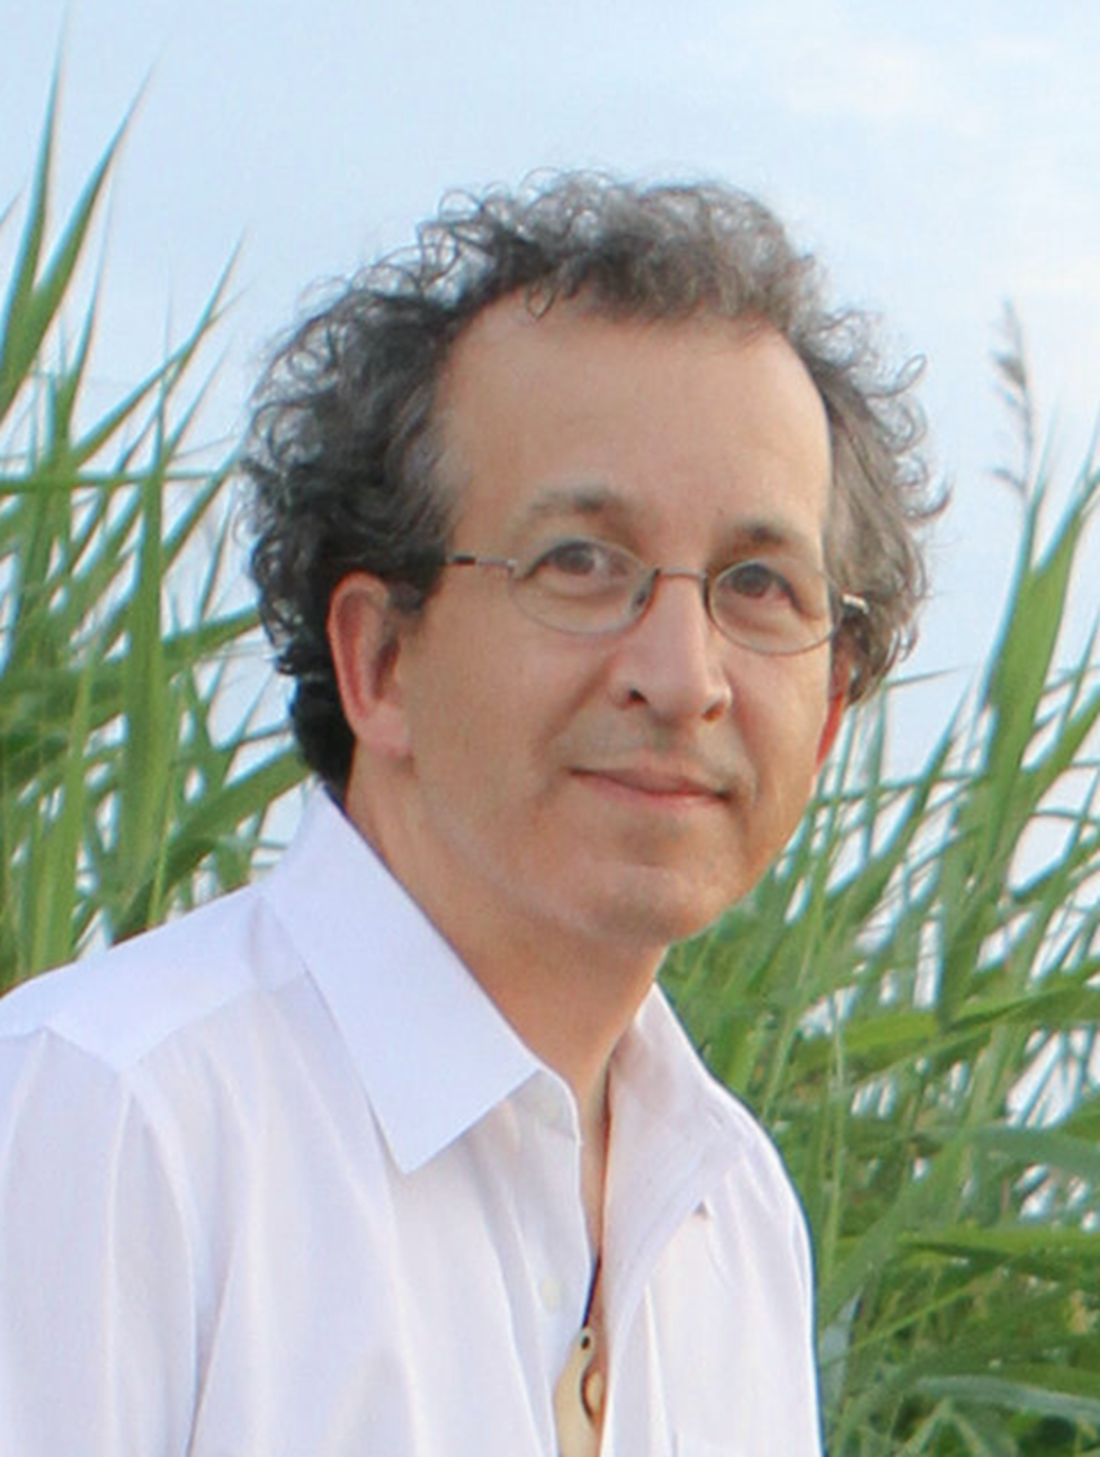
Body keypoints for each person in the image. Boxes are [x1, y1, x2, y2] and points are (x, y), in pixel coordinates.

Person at [0, 174, 933, 1455]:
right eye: (578, 562)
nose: (682, 673)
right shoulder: (110, 1117)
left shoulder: (737, 1214)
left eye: (757, 583)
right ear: (379, 659)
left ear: (829, 710)